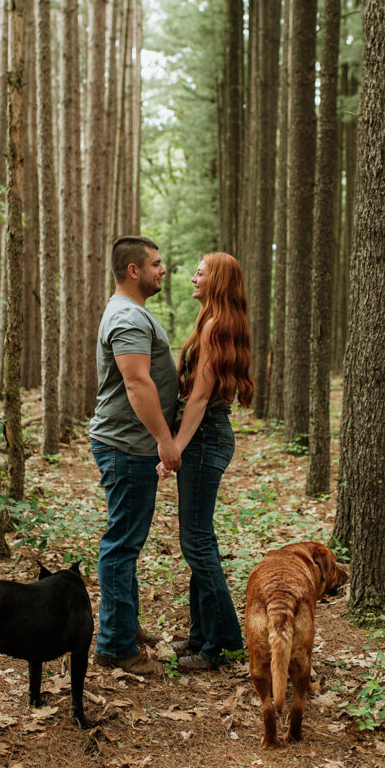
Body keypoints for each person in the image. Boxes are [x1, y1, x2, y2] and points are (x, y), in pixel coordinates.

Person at [90, 236, 181, 675]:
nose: (163, 270)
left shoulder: (131, 312)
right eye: (156, 264)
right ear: (133, 270)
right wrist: (165, 440)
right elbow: (136, 383)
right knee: (122, 545)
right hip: (126, 445)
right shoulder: (127, 315)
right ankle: (115, 647)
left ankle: (123, 624)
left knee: (126, 542)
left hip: (128, 443)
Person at [159, 252, 253, 671]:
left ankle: (225, 645)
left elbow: (198, 397)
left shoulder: (216, 325)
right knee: (198, 542)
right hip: (207, 435)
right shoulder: (214, 322)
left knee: (197, 543)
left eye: (201, 271)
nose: (193, 276)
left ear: (216, 280)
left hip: (204, 435)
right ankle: (202, 637)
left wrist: (174, 447)